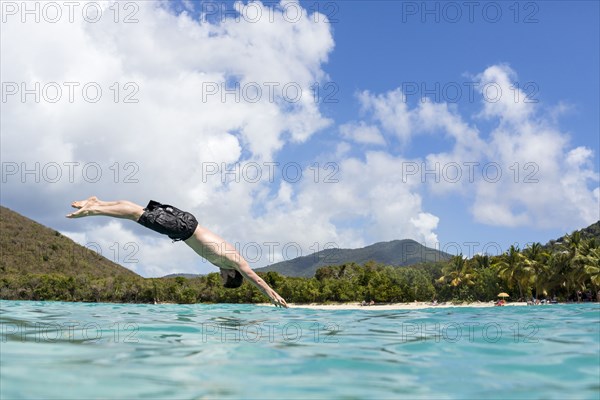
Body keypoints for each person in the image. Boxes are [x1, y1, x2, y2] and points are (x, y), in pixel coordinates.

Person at [66, 197, 288, 308]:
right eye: (223, 278)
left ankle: (97, 202)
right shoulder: (235, 261)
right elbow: (255, 279)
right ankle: (94, 209)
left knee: (139, 211)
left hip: (185, 224)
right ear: (231, 275)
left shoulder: (221, 261)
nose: (219, 276)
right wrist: (273, 296)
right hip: (183, 228)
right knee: (136, 214)